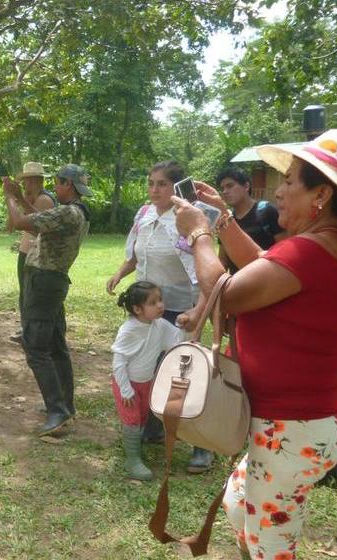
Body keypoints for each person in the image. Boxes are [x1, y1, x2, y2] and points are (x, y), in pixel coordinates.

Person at [172, 128, 337, 560]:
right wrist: (222, 217)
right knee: (240, 504)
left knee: (271, 545)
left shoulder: (310, 251)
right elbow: (264, 268)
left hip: (291, 429)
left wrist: (200, 234)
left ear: (322, 195)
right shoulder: (326, 245)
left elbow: (225, 293)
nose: (278, 191)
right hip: (303, 425)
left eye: (291, 180)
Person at [106, 160, 212, 473]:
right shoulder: (144, 214)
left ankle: (201, 446)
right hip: (146, 312)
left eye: (162, 184)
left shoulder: (189, 219)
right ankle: (151, 428)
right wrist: (120, 273)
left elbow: (208, 272)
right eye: (151, 183)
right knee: (147, 368)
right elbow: (136, 254)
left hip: (181, 310)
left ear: (177, 188)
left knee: (184, 377)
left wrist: (198, 311)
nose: (154, 190)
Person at [2, 164, 91, 436]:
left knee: (35, 347)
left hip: (43, 283)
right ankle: (65, 404)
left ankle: (57, 411)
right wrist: (19, 195)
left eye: (58, 183)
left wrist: (8, 196)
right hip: (52, 282)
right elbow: (40, 218)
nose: (55, 188)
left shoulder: (67, 212)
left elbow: (19, 223)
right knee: (55, 346)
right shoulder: (74, 213)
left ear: (68, 185)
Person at [111, 281, 185, 481]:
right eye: (153, 302)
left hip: (146, 383)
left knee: (143, 416)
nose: (160, 305)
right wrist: (126, 389)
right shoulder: (129, 330)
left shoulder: (158, 325)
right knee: (132, 419)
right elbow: (119, 363)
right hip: (126, 383)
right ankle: (132, 459)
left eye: (160, 300)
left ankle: (134, 445)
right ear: (137, 309)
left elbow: (177, 340)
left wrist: (185, 323)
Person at [7, 162, 56, 344]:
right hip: (25, 252)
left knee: (30, 294)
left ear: (36, 181)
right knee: (25, 293)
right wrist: (12, 199)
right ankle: (26, 327)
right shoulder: (29, 200)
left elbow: (38, 228)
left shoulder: (44, 200)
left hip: (35, 255)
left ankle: (30, 330)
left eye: (26, 181)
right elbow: (12, 225)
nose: (24, 185)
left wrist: (17, 198)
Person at [215, 166, 284, 272]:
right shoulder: (226, 220)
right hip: (238, 285)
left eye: (230, 186)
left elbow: (284, 251)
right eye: (222, 188)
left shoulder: (266, 211)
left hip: (267, 282)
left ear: (246, 186)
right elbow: (223, 261)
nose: (225, 191)